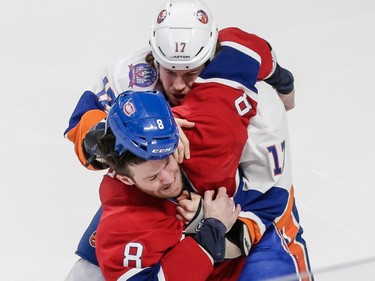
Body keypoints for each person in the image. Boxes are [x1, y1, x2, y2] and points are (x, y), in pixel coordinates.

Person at [64, 0, 311, 280]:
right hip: (153, 199)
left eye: (191, 73)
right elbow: (81, 122)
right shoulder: (130, 76)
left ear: (210, 61)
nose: (178, 86)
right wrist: (122, 130)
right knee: (88, 274)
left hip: (240, 210)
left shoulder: (260, 111)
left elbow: (269, 197)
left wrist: (208, 223)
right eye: (169, 71)